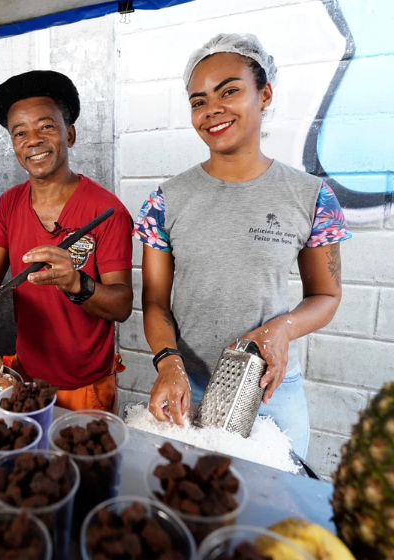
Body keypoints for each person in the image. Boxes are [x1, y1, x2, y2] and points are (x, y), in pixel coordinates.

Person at [133, 34, 352, 457]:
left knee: (274, 509)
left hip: (270, 388)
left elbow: (326, 294)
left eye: (229, 91)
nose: (211, 109)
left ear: (264, 94)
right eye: (198, 101)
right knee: (189, 506)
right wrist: (168, 364)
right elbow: (156, 302)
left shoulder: (310, 196)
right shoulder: (166, 200)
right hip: (187, 386)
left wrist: (280, 330)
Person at [0, 70, 134, 412]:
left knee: (82, 465)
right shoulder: (10, 202)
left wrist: (77, 283)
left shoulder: (107, 210)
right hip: (25, 377)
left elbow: (122, 304)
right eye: (19, 133)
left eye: (46, 126)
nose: (32, 140)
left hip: (85, 386)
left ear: (70, 133)